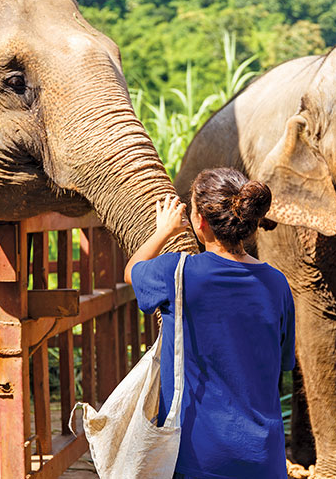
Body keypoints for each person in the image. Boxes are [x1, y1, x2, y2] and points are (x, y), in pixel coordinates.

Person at [124, 167, 296, 479]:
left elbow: (132, 271)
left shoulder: (176, 273)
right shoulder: (277, 283)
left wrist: (163, 230)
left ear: (200, 221)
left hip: (196, 458)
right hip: (263, 458)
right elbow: (284, 362)